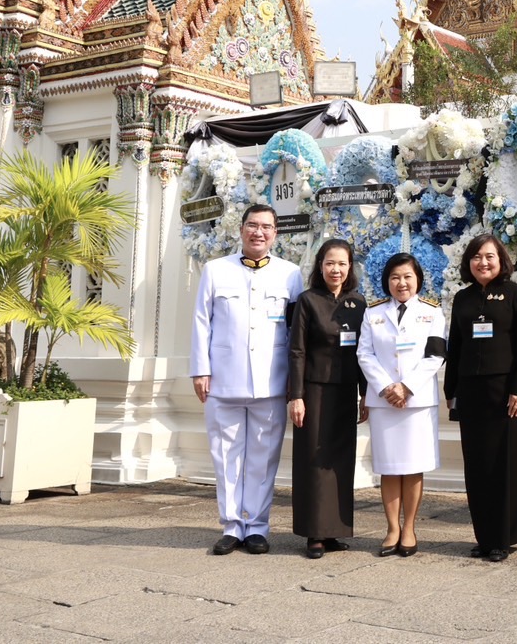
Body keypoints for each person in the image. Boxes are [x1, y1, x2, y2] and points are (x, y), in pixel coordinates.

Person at [190, 204, 303, 556]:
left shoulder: (290, 274)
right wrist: (200, 369)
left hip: (271, 380)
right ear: (240, 230)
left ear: (275, 234)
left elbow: (297, 330)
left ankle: (256, 526)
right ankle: (231, 525)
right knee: (226, 456)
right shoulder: (215, 269)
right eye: (252, 225)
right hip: (224, 379)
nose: (259, 232)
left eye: (266, 227)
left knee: (263, 458)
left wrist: (295, 384)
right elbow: (201, 322)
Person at [443, 233, 517, 562]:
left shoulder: (516, 295)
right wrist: (450, 390)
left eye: (489, 257)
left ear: (501, 261)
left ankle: (504, 537)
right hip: (471, 392)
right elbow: (455, 346)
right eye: (477, 257)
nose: (483, 263)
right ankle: (484, 537)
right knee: (478, 465)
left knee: (504, 464)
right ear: (469, 263)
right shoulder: (462, 299)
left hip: (507, 394)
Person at [357, 252, 446, 557]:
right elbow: (364, 355)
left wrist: (406, 387)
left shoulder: (433, 312)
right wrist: (386, 388)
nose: (401, 283)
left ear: (418, 279)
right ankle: (392, 528)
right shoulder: (373, 314)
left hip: (417, 401)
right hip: (384, 403)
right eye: (395, 277)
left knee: (413, 466)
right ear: (387, 281)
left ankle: (409, 529)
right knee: (390, 467)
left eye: (407, 276)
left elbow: (435, 356)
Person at [286, 238, 368, 559]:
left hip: (346, 391)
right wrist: (297, 395)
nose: (336, 269)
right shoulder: (307, 301)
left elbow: (364, 352)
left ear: (350, 268)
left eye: (342, 264)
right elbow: (297, 351)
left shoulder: (358, 303)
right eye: (330, 263)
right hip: (314, 391)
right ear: (320, 266)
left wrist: (365, 393)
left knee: (339, 461)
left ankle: (334, 530)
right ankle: (314, 534)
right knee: (313, 460)